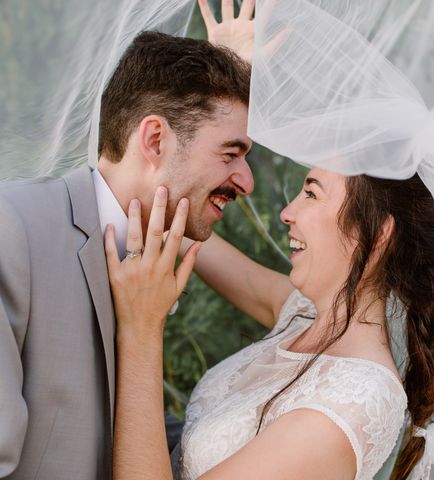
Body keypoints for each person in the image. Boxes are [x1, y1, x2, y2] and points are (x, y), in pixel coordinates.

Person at [0, 30, 252, 478]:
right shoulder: (12, 229)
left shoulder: (151, 265)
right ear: (155, 140)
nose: (246, 181)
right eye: (231, 153)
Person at [107, 165, 434, 478]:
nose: (288, 213)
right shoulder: (304, 313)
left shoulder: (348, 405)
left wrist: (142, 328)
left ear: (377, 233)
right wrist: (147, 196)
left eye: (311, 194)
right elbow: (198, 247)